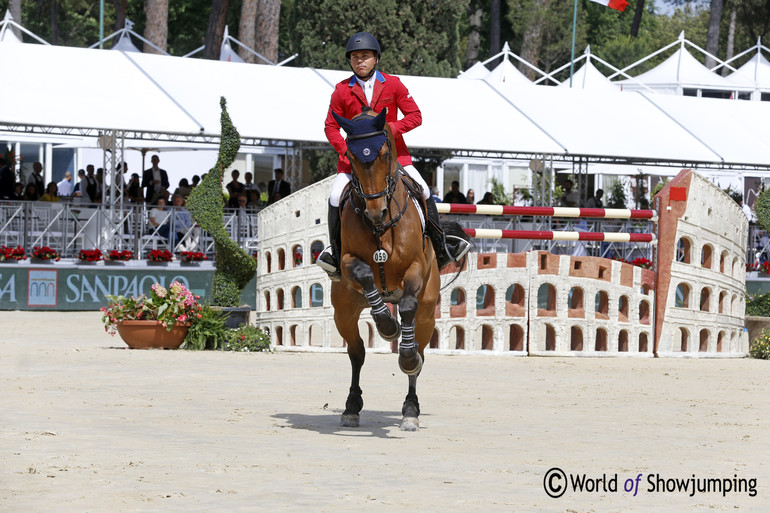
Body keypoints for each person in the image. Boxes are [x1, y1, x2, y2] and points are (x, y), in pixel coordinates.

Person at [317, 32, 470, 280]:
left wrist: (389, 131)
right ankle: (335, 255)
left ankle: (441, 247)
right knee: (336, 197)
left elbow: (415, 116)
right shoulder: (341, 91)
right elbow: (330, 126)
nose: (360, 61)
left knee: (423, 189)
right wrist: (345, 150)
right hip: (353, 162)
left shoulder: (393, 84)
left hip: (394, 159)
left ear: (376, 59)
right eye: (355, 57)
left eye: (365, 56)